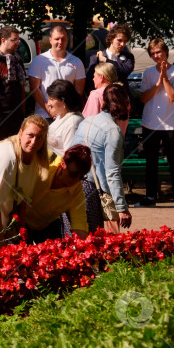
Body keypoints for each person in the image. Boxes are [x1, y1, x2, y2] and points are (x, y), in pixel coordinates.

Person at [0, 114, 50, 242]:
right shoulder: (7, 157)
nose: (34, 142)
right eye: (30, 135)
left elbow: (23, 200)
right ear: (21, 133)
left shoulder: (38, 158)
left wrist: (20, 232)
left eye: (40, 137)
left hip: (0, 209)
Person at [71, 83, 132, 233]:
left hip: (71, 185)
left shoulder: (87, 120)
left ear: (103, 102)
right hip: (89, 191)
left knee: (73, 242)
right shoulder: (113, 131)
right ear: (126, 104)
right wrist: (121, 208)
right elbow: (112, 172)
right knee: (93, 241)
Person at [136, 38, 174, 208]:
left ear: (166, 51)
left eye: (159, 52)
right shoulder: (148, 73)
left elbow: (173, 97)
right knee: (151, 162)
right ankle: (150, 197)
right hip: (150, 122)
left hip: (171, 124)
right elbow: (143, 98)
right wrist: (157, 82)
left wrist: (164, 78)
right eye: (153, 53)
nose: (157, 56)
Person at [24, 145, 92, 243]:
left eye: (81, 177)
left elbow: (79, 225)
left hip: (46, 226)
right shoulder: (46, 164)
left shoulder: (76, 192)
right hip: (20, 218)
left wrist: (86, 248)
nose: (76, 180)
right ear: (63, 164)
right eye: (73, 175)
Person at [28, 25, 85, 121]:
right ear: (50, 40)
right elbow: (34, 89)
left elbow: (78, 92)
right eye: (57, 39)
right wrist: (49, 110)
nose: (60, 42)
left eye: (63, 39)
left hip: (68, 116)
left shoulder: (76, 62)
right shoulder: (39, 60)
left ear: (68, 40)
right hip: (44, 115)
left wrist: (67, 111)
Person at [84, 23, 135, 95]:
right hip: (102, 99)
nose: (123, 44)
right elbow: (89, 81)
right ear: (111, 39)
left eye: (125, 41)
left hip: (122, 99)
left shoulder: (128, 57)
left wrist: (106, 61)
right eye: (119, 40)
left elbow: (125, 70)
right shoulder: (95, 58)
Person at [82, 61, 128, 133]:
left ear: (101, 77)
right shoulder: (122, 94)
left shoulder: (96, 95)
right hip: (119, 139)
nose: (93, 79)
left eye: (94, 76)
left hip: (99, 141)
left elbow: (88, 122)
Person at [45, 79, 84, 156]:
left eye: (51, 99)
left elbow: (70, 156)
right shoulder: (60, 116)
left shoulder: (73, 122)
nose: (48, 103)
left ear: (63, 101)